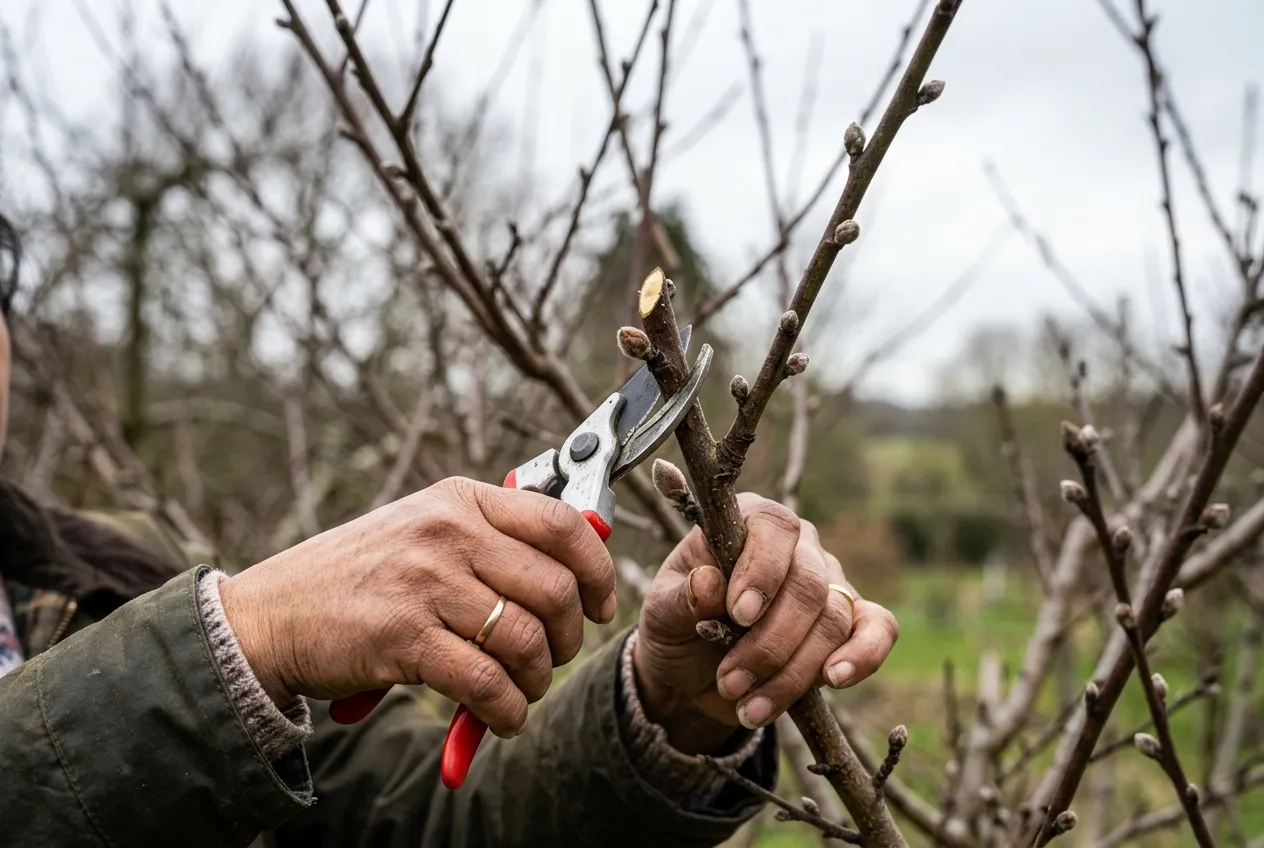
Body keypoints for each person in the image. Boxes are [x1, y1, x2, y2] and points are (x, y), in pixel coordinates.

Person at [0, 213, 899, 847]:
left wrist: (667, 704)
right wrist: (242, 641)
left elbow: (420, 823)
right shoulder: (167, 617)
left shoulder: (98, 573)